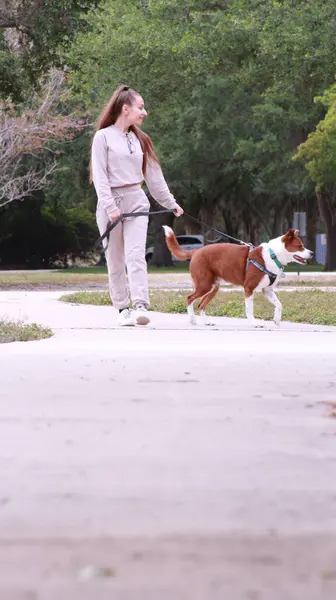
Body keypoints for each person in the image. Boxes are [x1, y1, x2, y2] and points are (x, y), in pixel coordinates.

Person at [91, 84, 184, 327]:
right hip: (110, 202)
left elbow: (154, 177)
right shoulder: (103, 137)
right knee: (115, 259)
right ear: (125, 109)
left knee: (135, 255)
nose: (145, 112)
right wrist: (111, 208)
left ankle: (141, 304)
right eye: (140, 107)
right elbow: (100, 178)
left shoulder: (141, 140)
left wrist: (171, 203)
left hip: (136, 199)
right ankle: (123, 308)